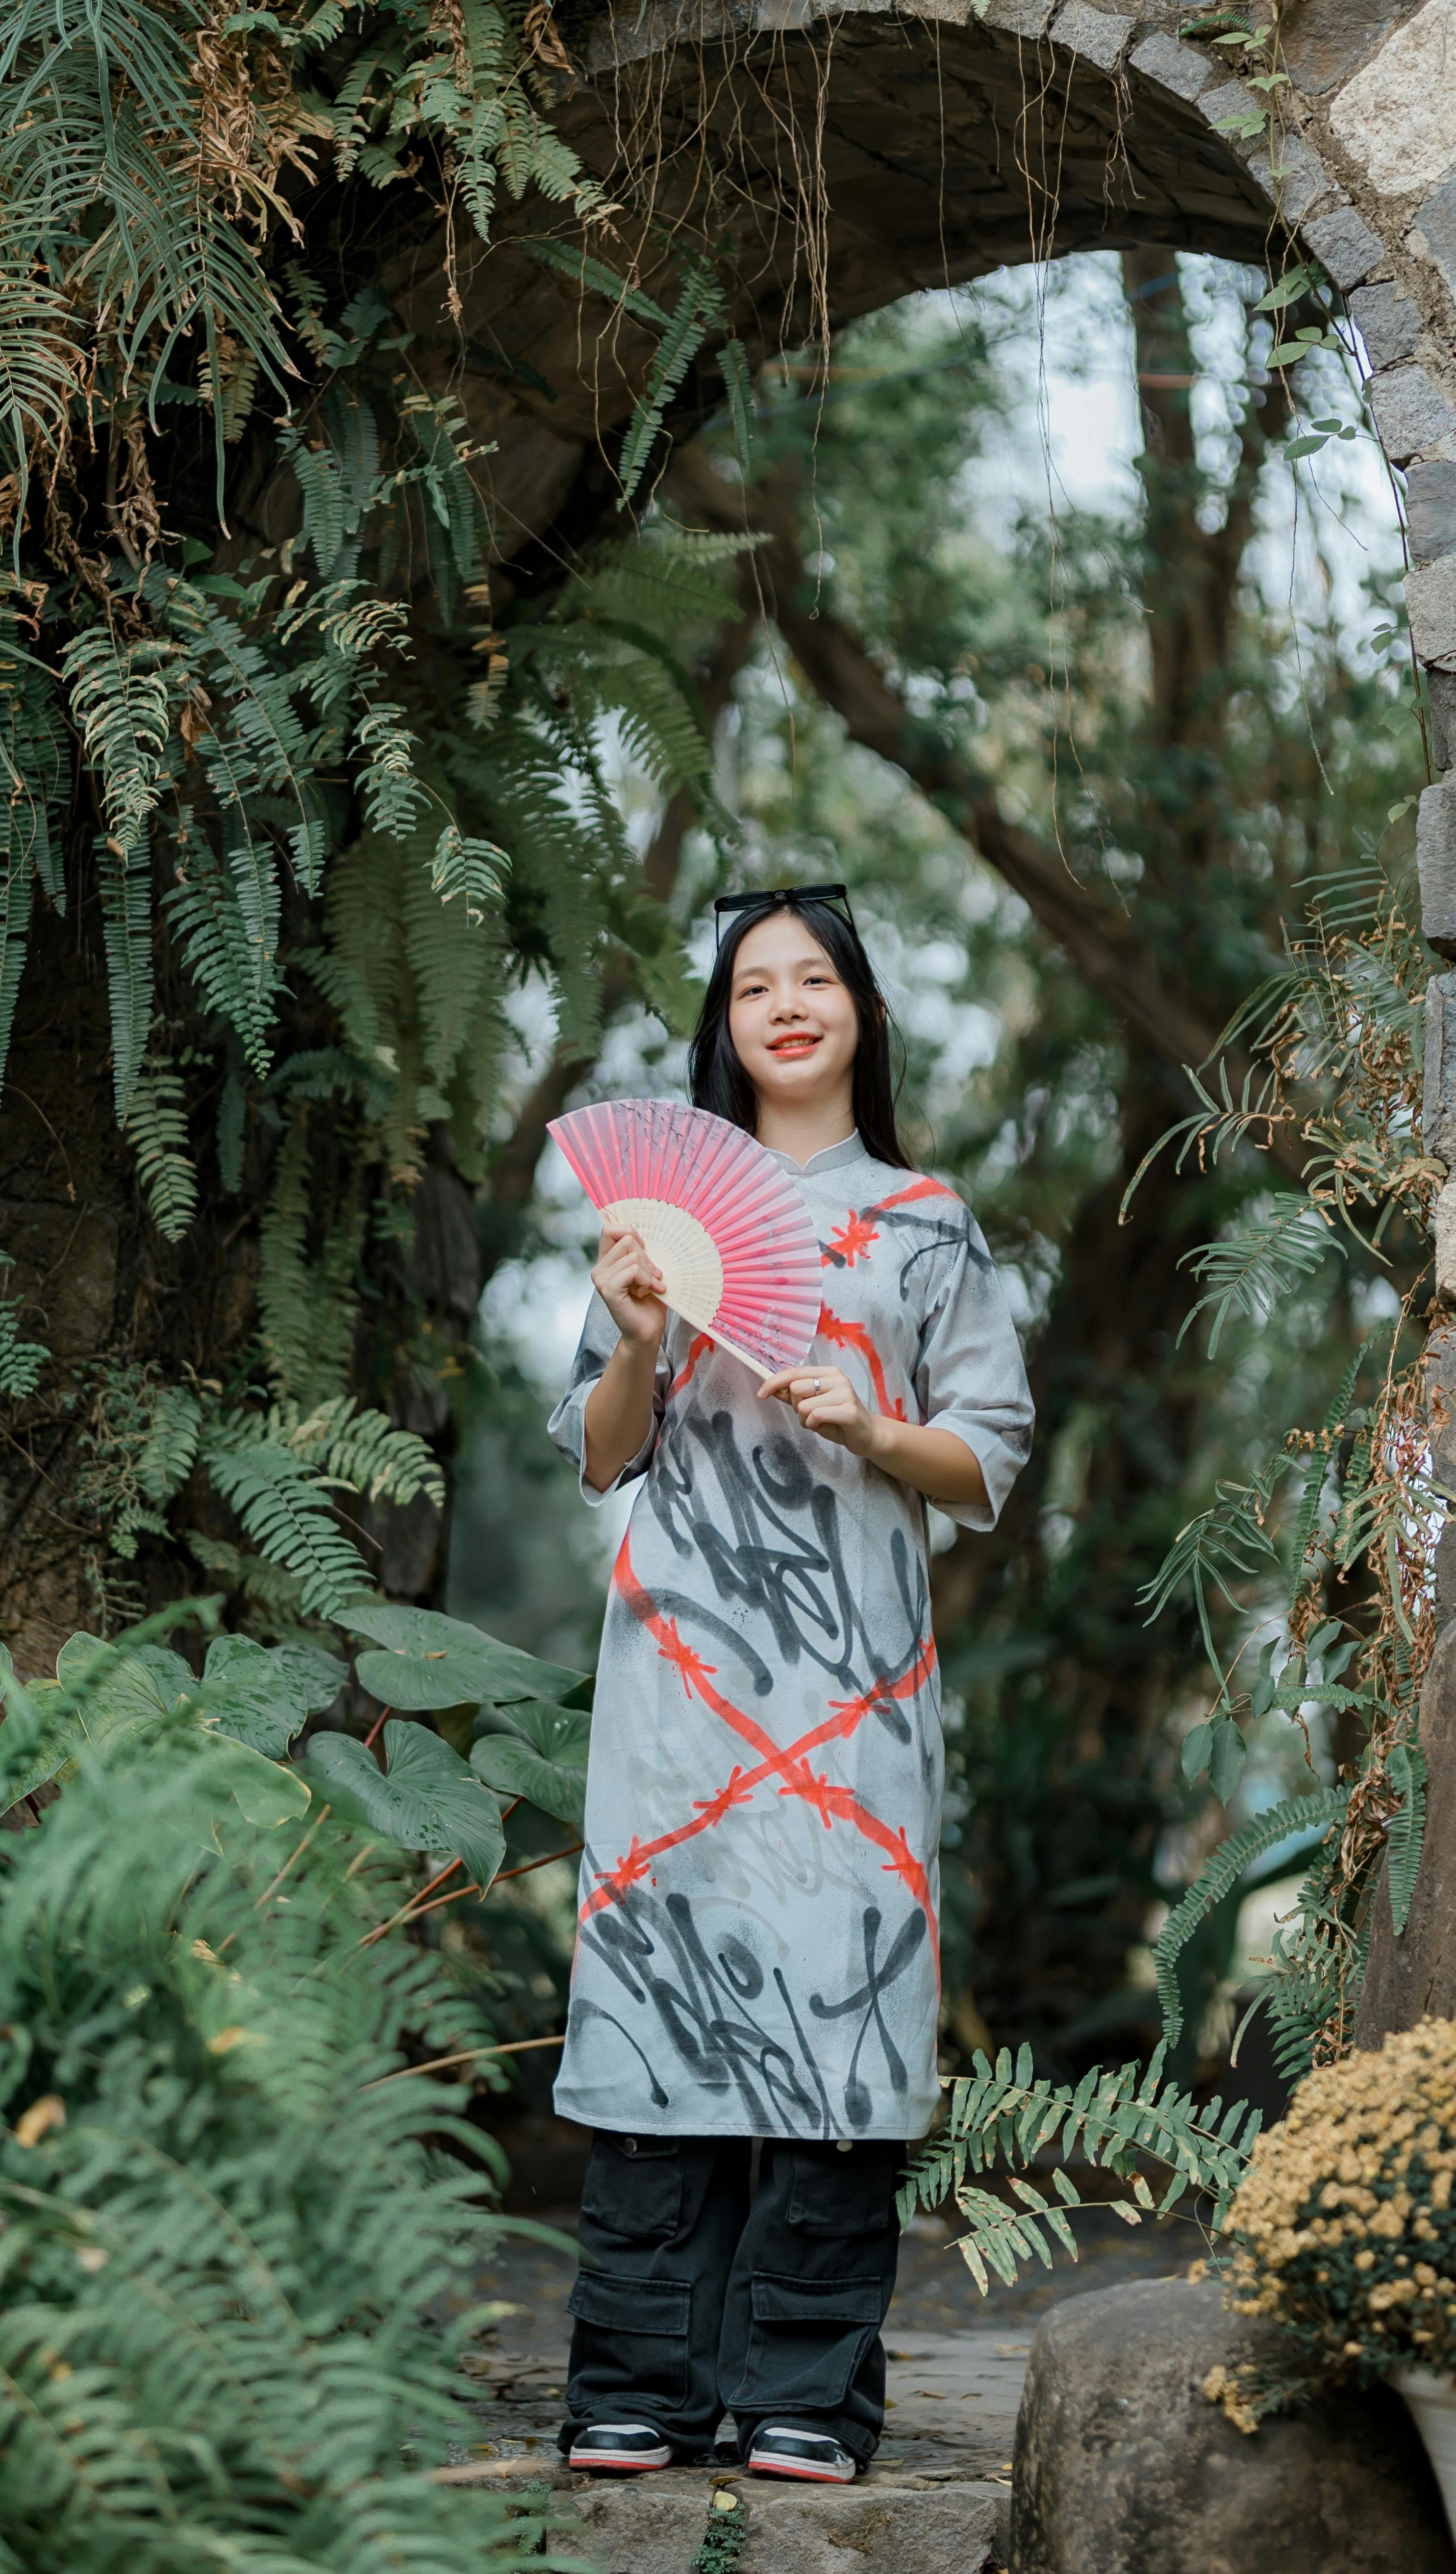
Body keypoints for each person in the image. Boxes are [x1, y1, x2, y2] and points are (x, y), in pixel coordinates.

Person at [546, 885, 1033, 2484]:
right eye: (753, 984)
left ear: (862, 1014)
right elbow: (606, 1458)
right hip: (680, 1674)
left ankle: (810, 2393)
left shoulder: (929, 1221)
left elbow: (988, 1460)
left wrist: (874, 1427)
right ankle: (639, 2385)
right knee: (665, 1993)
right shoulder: (658, 1225)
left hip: (855, 1680)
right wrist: (633, 1338)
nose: (786, 1003)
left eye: (815, 976)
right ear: (726, 1025)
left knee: (844, 1993)